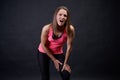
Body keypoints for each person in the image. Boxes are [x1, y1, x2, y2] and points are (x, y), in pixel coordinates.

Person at [37, 6, 75, 80]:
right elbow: (43, 45)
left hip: (57, 52)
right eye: (60, 14)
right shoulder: (46, 28)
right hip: (44, 52)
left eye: (65, 15)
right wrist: (54, 60)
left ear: (67, 18)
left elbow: (69, 47)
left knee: (66, 74)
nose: (62, 17)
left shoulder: (70, 29)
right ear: (56, 16)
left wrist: (65, 63)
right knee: (45, 77)